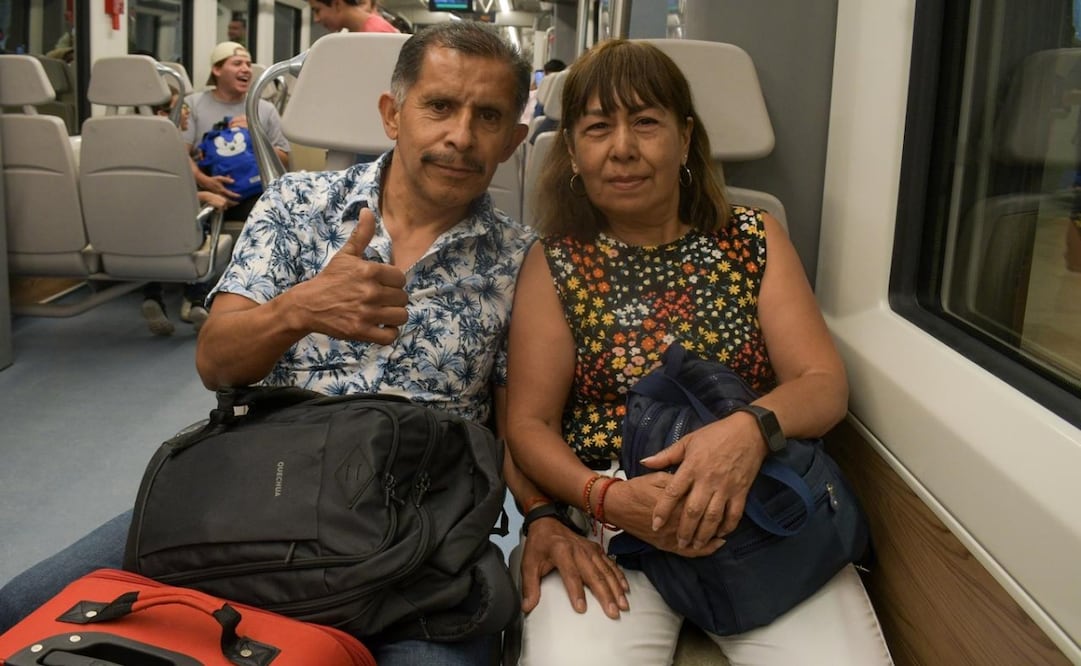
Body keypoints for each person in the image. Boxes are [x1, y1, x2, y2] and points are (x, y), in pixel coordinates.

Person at [0, 21, 626, 666]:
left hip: (415, 523)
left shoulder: (521, 261)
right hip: (256, 491)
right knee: (19, 611)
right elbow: (216, 362)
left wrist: (544, 516)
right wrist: (299, 309)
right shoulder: (298, 206)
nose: (460, 136)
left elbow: (512, 422)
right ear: (393, 114)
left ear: (514, 140)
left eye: (488, 116)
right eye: (439, 106)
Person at [504, 39, 894, 665]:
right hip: (613, 517)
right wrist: (605, 500)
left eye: (647, 122)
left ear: (685, 140)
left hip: (757, 499)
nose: (623, 147)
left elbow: (822, 383)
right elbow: (529, 424)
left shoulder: (753, 238)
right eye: (599, 128)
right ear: (573, 152)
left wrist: (746, 433)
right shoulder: (554, 262)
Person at [181, 41, 289, 323]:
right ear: (217, 69)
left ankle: (250, 296)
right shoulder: (193, 104)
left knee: (269, 217)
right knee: (179, 209)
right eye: (237, 63)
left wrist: (255, 135)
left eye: (248, 64)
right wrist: (206, 183)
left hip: (250, 191)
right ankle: (195, 295)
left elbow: (283, 159)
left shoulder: (263, 109)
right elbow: (181, 156)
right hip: (204, 187)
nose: (246, 69)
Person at [141, 86, 234, 336]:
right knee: (200, 226)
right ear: (162, 115)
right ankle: (196, 300)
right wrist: (205, 196)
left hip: (144, 225)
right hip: (176, 218)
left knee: (155, 242)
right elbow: (164, 192)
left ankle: (153, 297)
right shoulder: (164, 149)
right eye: (181, 108)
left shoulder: (138, 144)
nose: (187, 113)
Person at [307, 0, 401, 34]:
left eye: (317, 10)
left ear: (337, 5)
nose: (316, 19)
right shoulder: (358, 33)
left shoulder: (376, 32)